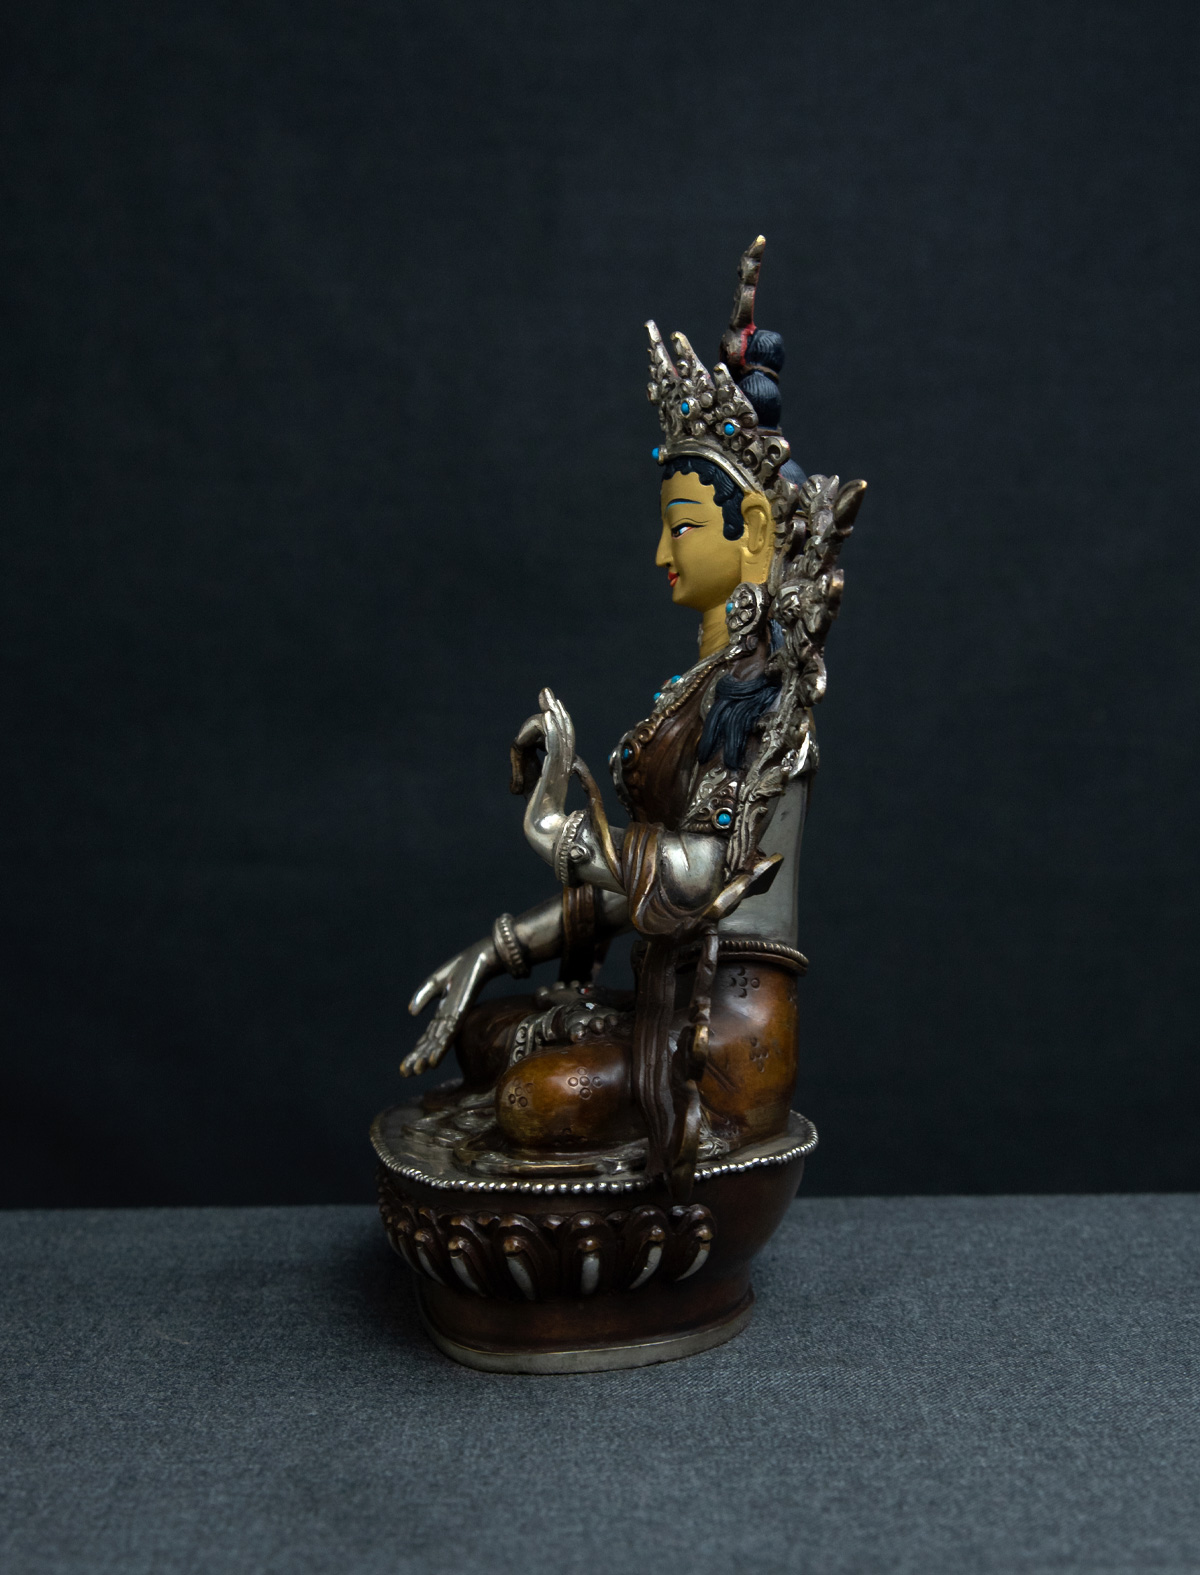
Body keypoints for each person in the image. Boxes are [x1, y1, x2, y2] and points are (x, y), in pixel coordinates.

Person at [399, 237, 864, 1199]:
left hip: (728, 1030)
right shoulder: (700, 690)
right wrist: (499, 948)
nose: (662, 549)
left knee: (531, 1099)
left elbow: (699, 874)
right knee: (487, 1039)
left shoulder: (770, 703)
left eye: (682, 524)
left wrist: (559, 830)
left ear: (755, 531)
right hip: (664, 985)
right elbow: (634, 890)